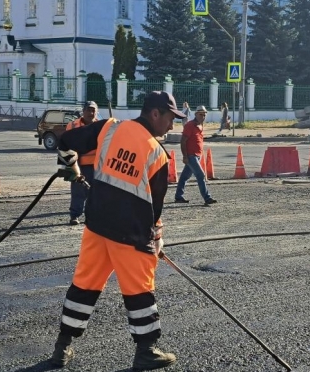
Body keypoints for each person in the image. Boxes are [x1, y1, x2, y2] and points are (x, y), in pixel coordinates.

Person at [51, 91, 185, 371]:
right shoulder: (157, 154)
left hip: (97, 225)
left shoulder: (110, 127)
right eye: (172, 118)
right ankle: (146, 351)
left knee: (84, 285)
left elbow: (65, 140)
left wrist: (71, 167)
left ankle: (61, 349)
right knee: (139, 292)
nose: (173, 126)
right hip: (131, 234)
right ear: (156, 113)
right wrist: (157, 240)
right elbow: (155, 210)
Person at [174, 106, 217, 206]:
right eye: (200, 114)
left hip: (197, 155)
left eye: (204, 114)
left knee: (185, 176)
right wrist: (185, 156)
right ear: (196, 114)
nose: (202, 116)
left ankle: (178, 196)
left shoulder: (200, 125)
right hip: (191, 156)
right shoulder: (190, 125)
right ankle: (207, 198)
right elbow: (183, 141)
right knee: (200, 175)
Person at [65, 101, 99, 226]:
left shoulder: (101, 126)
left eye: (93, 110)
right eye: (88, 110)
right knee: (78, 191)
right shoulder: (73, 126)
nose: (91, 113)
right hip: (77, 165)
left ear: (97, 112)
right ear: (83, 111)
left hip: (96, 166)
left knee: (95, 193)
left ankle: (92, 216)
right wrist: (72, 169)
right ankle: (74, 216)